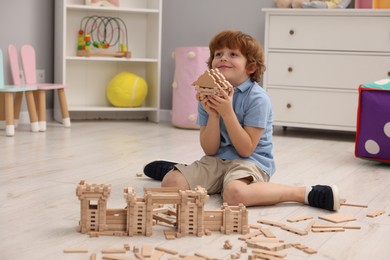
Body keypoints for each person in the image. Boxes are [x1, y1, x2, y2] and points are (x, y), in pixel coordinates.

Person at [144, 30, 340, 211]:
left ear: (251, 67)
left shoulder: (258, 99)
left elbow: (246, 149)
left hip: (250, 162)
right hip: (216, 160)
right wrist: (213, 114)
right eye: (218, 54)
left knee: (235, 195)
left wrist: (227, 112)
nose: (223, 58)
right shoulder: (207, 93)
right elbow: (210, 150)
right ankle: (178, 170)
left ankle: (302, 193)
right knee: (171, 182)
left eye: (233, 54)